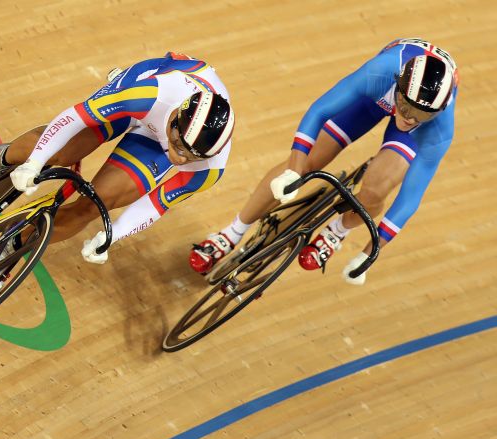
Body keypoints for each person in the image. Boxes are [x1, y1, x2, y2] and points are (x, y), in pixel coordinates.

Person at [190, 38, 458, 285]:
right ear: (398, 86)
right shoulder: (382, 72)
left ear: (438, 111)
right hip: (373, 100)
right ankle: (232, 232)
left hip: (412, 120)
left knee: (377, 187)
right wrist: (294, 171)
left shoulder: (439, 127)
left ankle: (336, 231)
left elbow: (410, 199)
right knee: (307, 163)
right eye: (406, 106)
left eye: (421, 114)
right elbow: (319, 111)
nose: (409, 117)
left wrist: (368, 254)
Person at [0, 52, 235, 266]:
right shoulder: (148, 95)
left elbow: (158, 202)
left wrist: (114, 235)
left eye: (191, 157)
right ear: (175, 121)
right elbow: (74, 118)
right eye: (179, 147)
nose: (181, 160)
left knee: (95, 205)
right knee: (62, 154)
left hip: (155, 132)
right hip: (139, 99)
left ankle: (13, 247)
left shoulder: (211, 167)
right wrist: (35, 162)